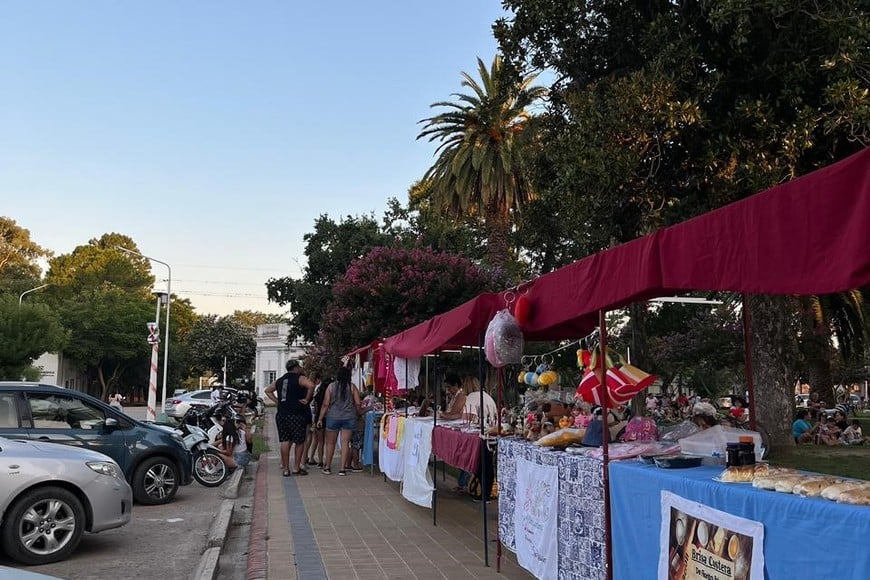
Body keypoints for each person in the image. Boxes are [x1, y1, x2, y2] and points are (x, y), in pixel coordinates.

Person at [265, 360, 315, 476]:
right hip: (296, 413)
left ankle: (286, 469)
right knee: (299, 441)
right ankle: (296, 467)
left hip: (282, 414)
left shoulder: (280, 380)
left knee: (284, 440)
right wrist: (307, 399)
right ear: (296, 367)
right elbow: (311, 385)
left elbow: (268, 390)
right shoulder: (300, 378)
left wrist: (277, 401)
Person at [317, 367, 361, 476]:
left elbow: (326, 404)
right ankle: (342, 469)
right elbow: (358, 403)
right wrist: (358, 412)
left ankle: (327, 467)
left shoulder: (331, 387)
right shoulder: (352, 387)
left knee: (330, 443)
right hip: (349, 417)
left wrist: (320, 418)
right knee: (345, 442)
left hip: (333, 417)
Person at [305, 373, 327, 468]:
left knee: (315, 439)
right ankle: (320, 460)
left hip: (314, 414)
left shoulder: (313, 388)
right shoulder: (320, 388)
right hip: (319, 415)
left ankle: (310, 457)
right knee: (320, 440)